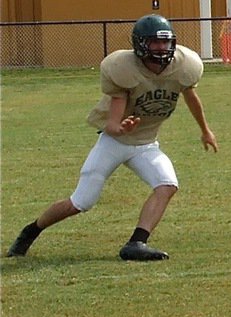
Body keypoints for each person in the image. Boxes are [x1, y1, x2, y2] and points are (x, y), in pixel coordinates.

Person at [6, 14, 218, 261]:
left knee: (167, 185)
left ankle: (136, 243)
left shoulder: (183, 67)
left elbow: (190, 96)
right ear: (140, 45)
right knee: (81, 202)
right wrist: (122, 128)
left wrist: (205, 130)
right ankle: (31, 231)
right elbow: (112, 125)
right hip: (115, 143)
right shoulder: (124, 70)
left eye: (165, 42)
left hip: (146, 144)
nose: (161, 48)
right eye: (154, 42)